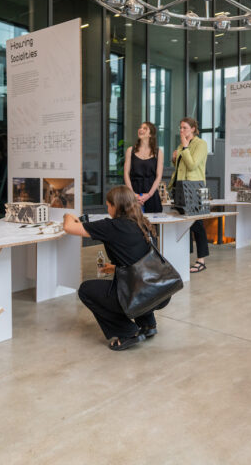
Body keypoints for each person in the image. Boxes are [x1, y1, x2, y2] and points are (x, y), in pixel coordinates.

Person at [63, 186, 170, 351]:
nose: (107, 209)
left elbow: (69, 227)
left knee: (86, 290)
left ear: (116, 206)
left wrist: (68, 215)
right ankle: (148, 324)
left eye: (108, 205)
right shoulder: (143, 223)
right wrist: (114, 268)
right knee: (135, 284)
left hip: (139, 294)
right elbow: (139, 263)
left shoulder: (111, 226)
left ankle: (126, 332)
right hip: (159, 292)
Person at [170, 117, 209, 273]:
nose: (181, 130)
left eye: (185, 127)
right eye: (180, 127)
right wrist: (174, 159)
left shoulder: (201, 144)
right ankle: (184, 255)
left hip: (195, 187)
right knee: (183, 224)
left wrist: (185, 148)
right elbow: (181, 167)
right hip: (181, 186)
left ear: (193, 129)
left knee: (197, 224)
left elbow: (192, 165)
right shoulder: (181, 145)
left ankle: (201, 260)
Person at [124, 121, 164, 213]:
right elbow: (126, 173)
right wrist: (133, 194)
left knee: (153, 221)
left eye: (145, 128)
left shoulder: (158, 152)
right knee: (132, 220)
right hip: (133, 192)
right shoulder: (130, 150)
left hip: (151, 193)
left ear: (150, 134)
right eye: (140, 128)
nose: (140, 129)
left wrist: (149, 195)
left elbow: (159, 176)